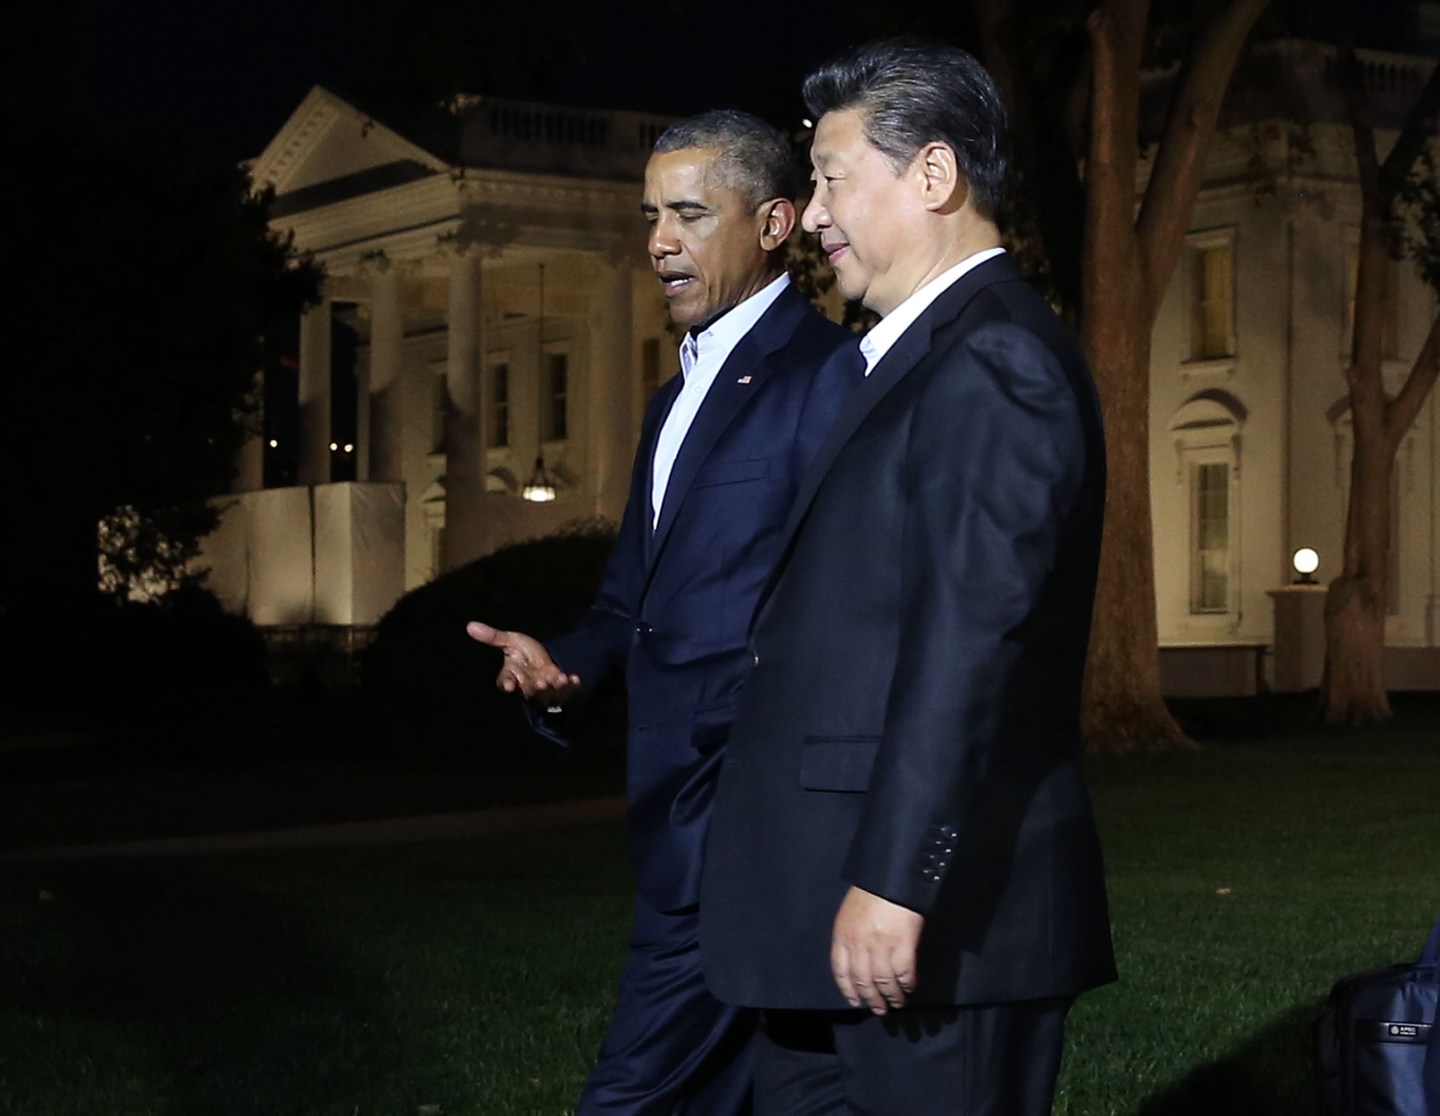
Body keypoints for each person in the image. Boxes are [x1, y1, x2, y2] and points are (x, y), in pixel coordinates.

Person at [698, 38, 1117, 1116]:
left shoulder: (996, 361)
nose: (816, 211)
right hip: (825, 933)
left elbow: (970, 648)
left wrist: (894, 880)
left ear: (933, 177)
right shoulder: (905, 359)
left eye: (834, 179)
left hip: (933, 933)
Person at [466, 109, 856, 1114]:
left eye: (689, 213)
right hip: (681, 824)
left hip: (753, 831)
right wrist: (565, 665)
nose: (659, 242)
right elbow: (626, 604)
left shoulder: (830, 377)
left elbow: (849, 611)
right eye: (651, 215)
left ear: (776, 224)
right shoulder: (669, 396)